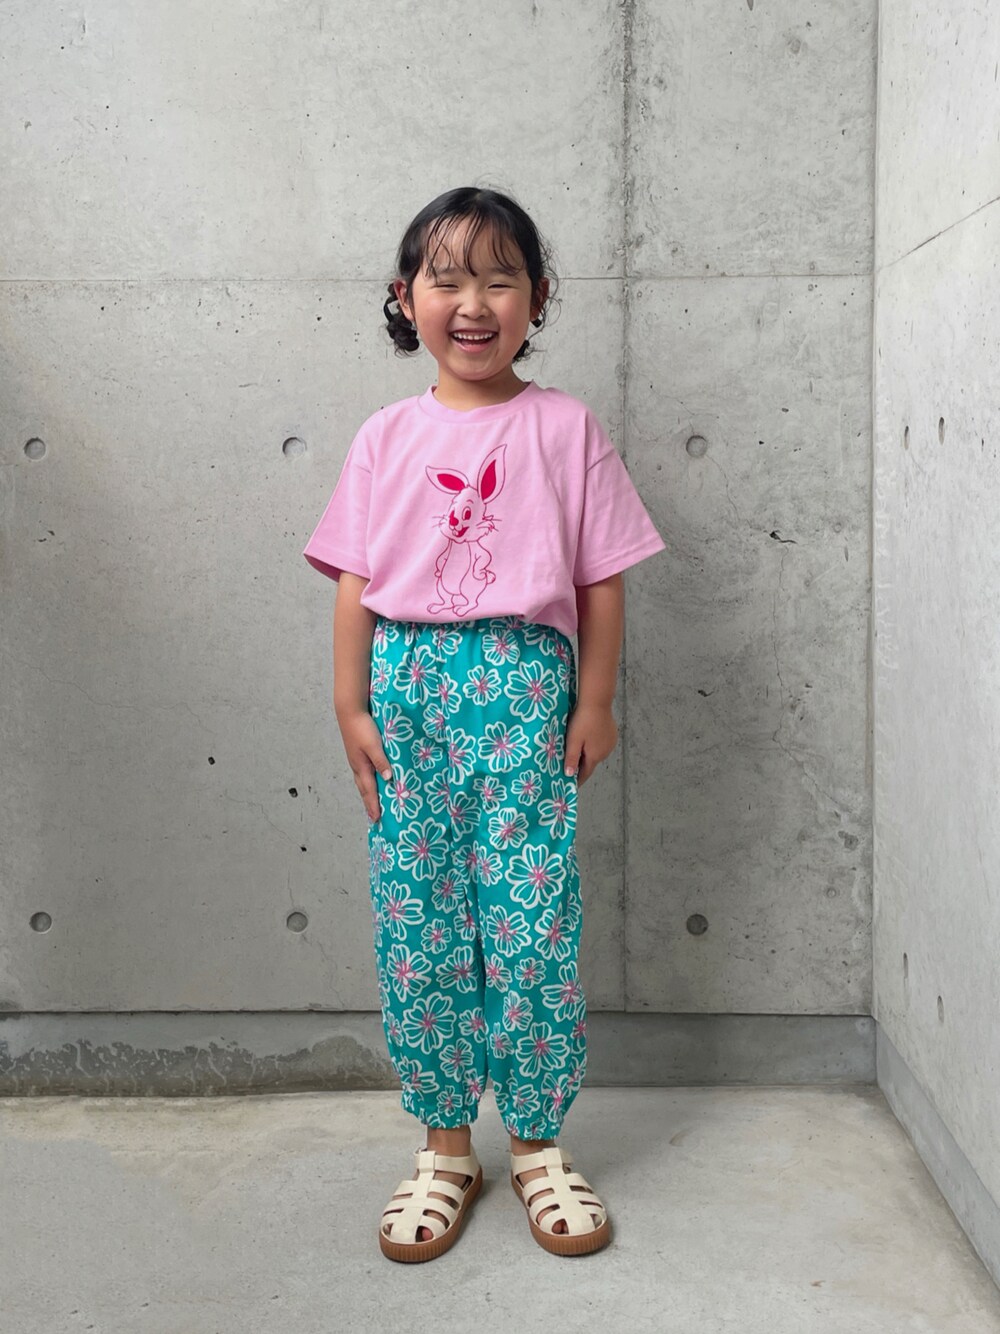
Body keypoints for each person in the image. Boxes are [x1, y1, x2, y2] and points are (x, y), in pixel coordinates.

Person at [302, 186, 666, 1262]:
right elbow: (355, 579)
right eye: (447, 279)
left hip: (523, 691)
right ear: (404, 295)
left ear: (537, 297)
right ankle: (446, 1146)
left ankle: (541, 1143)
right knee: (417, 917)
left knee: (529, 918)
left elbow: (601, 576)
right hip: (406, 691)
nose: (472, 303)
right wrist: (349, 703)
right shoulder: (385, 436)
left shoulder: (564, 427)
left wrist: (593, 698)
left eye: (499, 279)